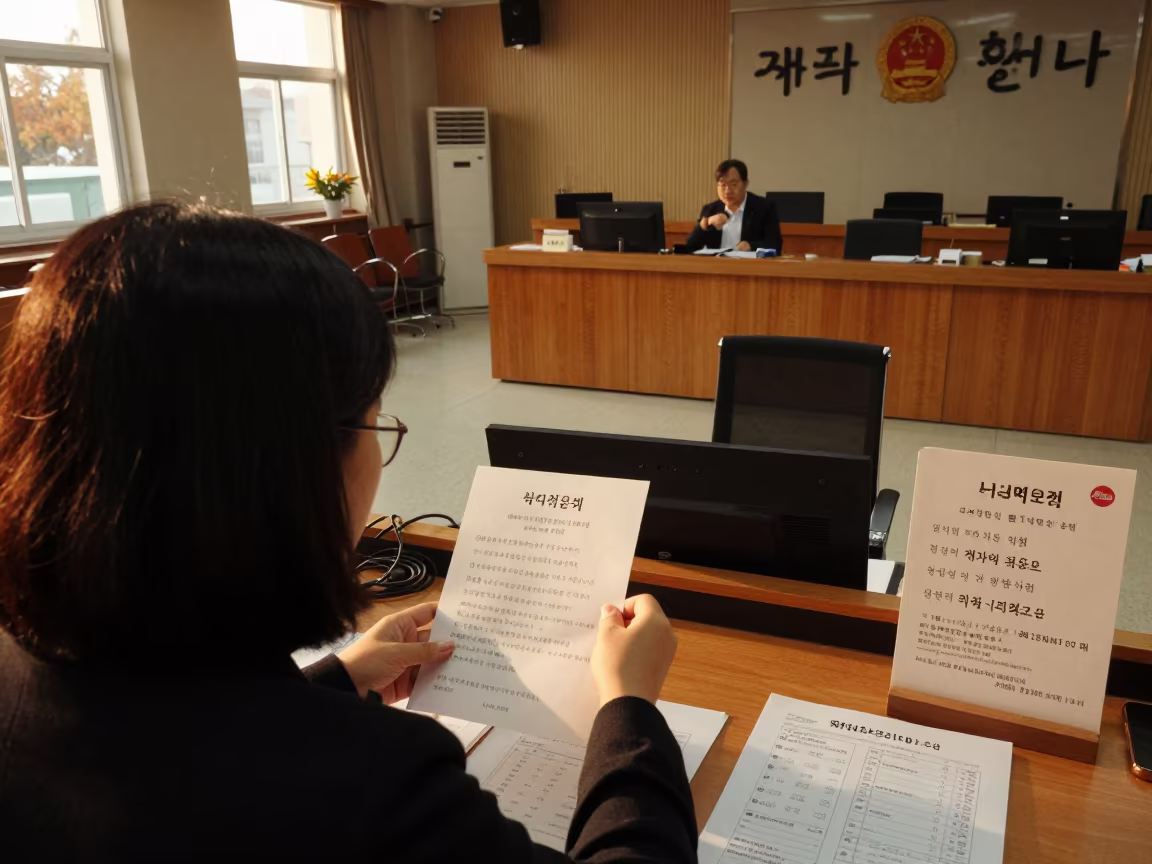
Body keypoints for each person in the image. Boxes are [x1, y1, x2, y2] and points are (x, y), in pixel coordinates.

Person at [0, 202, 698, 862]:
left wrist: (337, 678)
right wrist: (628, 708)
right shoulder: (374, 785)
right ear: (290, 467)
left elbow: (188, 726)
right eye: (372, 421)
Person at [684, 159, 783, 254]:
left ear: (745, 184)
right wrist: (705, 223)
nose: (727, 191)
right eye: (722, 185)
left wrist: (751, 246)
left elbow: (775, 245)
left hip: (748, 268)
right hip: (716, 267)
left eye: (733, 184)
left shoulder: (764, 208)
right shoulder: (710, 209)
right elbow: (690, 247)